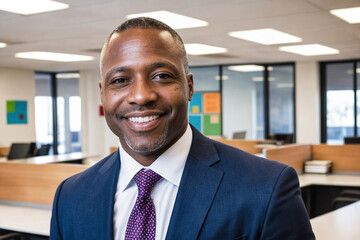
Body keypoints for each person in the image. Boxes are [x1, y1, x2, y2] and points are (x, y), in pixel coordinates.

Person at [50, 17, 315, 240]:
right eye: (120, 80)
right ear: (102, 93)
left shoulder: (266, 187)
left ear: (189, 86)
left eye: (162, 76)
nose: (141, 96)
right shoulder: (71, 196)